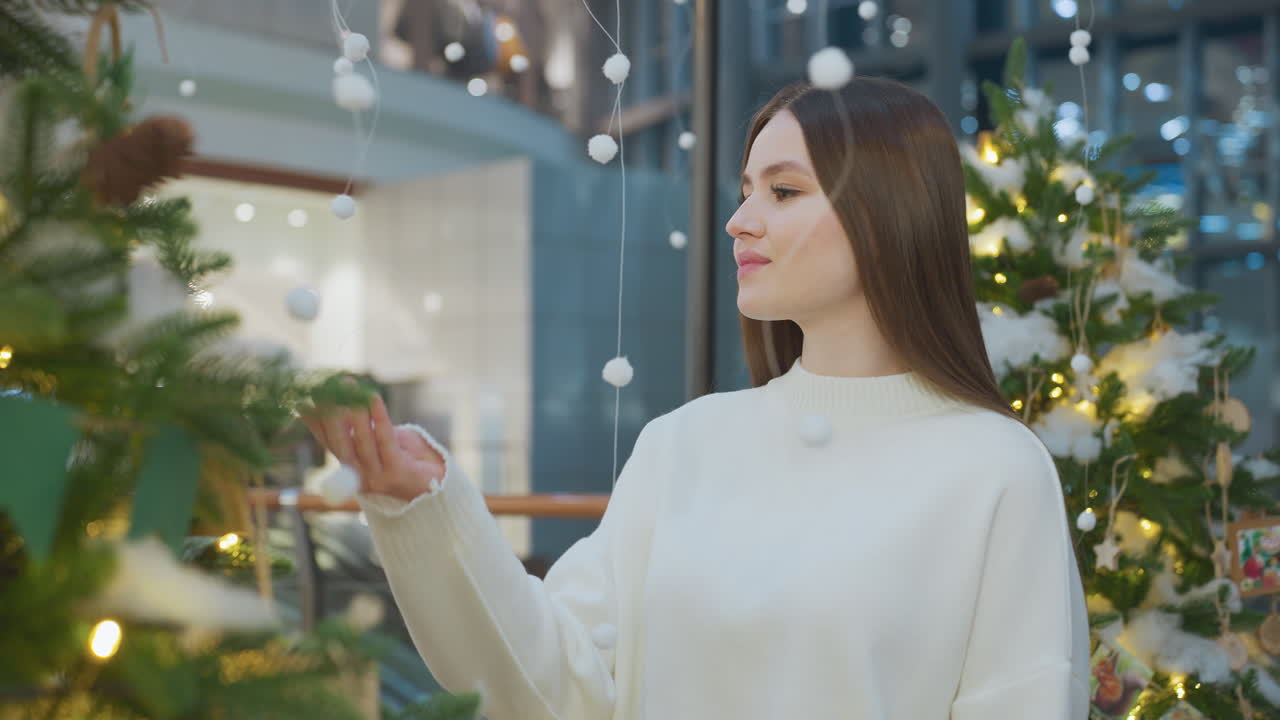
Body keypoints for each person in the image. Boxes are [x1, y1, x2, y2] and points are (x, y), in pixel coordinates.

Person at [302, 77, 1091, 720]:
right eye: (746, 191)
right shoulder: (686, 443)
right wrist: (429, 505)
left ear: (889, 217)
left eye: (783, 192)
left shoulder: (991, 467)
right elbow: (549, 684)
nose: (739, 221)